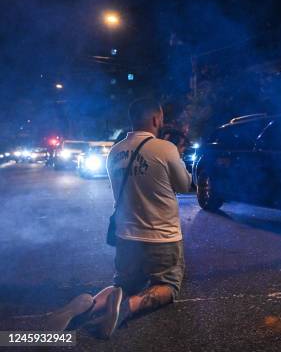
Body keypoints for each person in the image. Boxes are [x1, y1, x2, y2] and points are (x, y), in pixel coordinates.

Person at [45, 98, 192, 338]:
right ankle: (127, 307)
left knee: (123, 285)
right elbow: (185, 185)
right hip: (162, 239)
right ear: (156, 119)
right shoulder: (165, 149)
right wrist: (177, 154)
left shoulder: (114, 151)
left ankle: (89, 304)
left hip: (127, 238)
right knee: (168, 286)